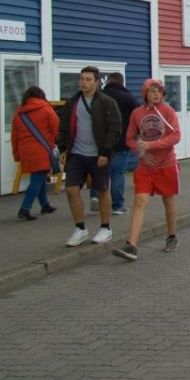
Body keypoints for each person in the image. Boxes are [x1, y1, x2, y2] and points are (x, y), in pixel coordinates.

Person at [113, 79, 183, 261]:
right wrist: (141, 153)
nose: (156, 94)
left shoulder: (168, 112)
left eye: (159, 91)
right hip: (145, 165)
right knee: (139, 201)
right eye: (152, 91)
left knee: (168, 201)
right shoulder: (137, 113)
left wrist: (151, 144)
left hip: (166, 163)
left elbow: (176, 136)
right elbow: (129, 138)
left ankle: (171, 236)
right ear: (145, 93)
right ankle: (132, 245)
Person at [57, 66, 122, 247]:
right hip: (76, 153)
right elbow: (63, 128)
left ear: (97, 82)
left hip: (98, 155)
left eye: (87, 79)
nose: (83, 82)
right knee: (71, 189)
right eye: (81, 79)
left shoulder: (106, 102)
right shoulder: (72, 103)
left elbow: (115, 128)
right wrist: (62, 149)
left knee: (102, 190)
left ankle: (105, 227)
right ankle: (80, 228)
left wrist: (105, 152)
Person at [12, 86, 59, 220]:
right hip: (42, 149)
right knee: (37, 179)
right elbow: (57, 129)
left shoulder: (18, 113)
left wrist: (16, 155)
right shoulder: (46, 109)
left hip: (26, 151)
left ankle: (45, 205)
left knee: (39, 177)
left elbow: (14, 137)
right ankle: (25, 208)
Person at [101, 72, 139, 215]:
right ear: (122, 82)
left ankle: (96, 198)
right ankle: (117, 205)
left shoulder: (99, 96)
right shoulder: (128, 98)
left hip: (101, 142)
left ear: (108, 81)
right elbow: (138, 118)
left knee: (100, 172)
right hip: (121, 141)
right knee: (117, 173)